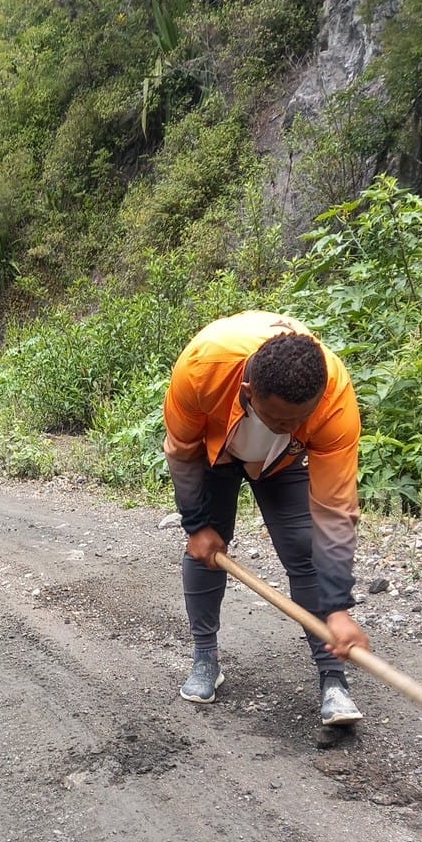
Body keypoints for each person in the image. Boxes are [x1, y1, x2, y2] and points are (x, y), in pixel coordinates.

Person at [163, 310, 370, 726]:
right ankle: (205, 658)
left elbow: (334, 512)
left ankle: (333, 680)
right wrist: (196, 525)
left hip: (284, 462)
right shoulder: (203, 368)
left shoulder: (333, 400)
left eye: (300, 419)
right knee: (207, 547)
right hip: (215, 448)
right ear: (249, 391)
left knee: (304, 546)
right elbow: (182, 450)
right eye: (279, 419)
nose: (290, 426)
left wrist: (338, 608)